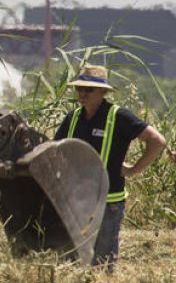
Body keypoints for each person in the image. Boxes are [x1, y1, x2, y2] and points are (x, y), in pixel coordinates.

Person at [52, 64, 167, 269]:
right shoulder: (73, 118)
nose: (82, 94)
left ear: (103, 91)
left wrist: (134, 170)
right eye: (79, 89)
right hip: (76, 202)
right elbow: (54, 150)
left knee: (103, 265)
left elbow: (157, 141)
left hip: (108, 204)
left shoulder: (119, 116)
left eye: (89, 89)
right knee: (69, 263)